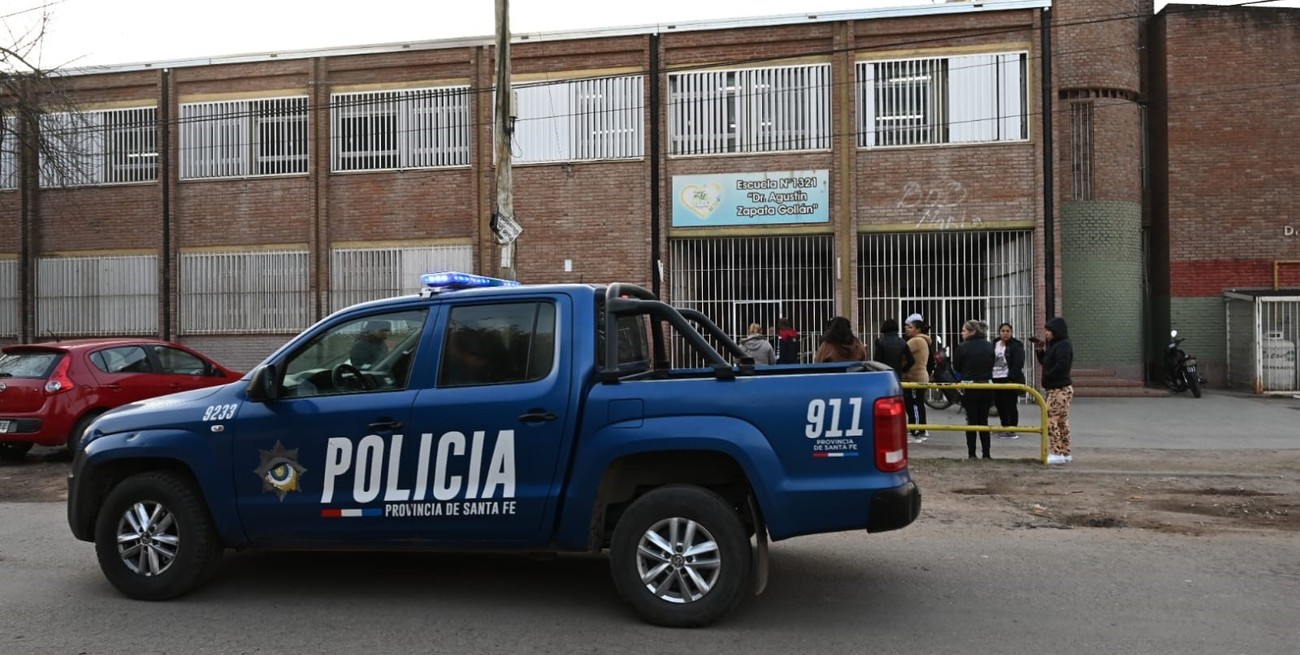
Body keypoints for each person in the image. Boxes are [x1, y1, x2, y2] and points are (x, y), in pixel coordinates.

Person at [1034, 317, 1075, 464]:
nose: (1046, 333)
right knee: (1062, 422)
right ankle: (1065, 452)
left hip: (1059, 389)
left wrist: (1049, 375)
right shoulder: (1055, 345)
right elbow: (1046, 362)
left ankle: (1057, 452)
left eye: (1048, 331)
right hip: (1058, 389)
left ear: (1056, 331)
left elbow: (1062, 365)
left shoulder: (1062, 346)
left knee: (1051, 420)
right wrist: (1040, 350)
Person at [953, 319, 995, 459]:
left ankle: (971, 453)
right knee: (983, 421)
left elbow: (956, 367)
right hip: (986, 386)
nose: (962, 333)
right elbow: (992, 363)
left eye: (964, 330)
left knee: (971, 420)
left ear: (972, 332)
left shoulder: (962, 347)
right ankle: (986, 453)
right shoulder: (989, 346)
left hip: (969, 386)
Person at [992, 322, 1027, 439]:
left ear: (1011, 333)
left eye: (1008, 331)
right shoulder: (994, 344)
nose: (1005, 333)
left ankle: (1012, 429)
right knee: (999, 404)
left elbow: (1018, 363)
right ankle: (1004, 426)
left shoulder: (1016, 345)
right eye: (1003, 331)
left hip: (1009, 379)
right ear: (999, 332)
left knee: (1010, 404)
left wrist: (1011, 378)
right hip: (996, 378)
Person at [902, 318, 932, 443]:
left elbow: (901, 351)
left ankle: (918, 430)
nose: (906, 329)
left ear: (918, 329)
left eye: (910, 327)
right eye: (906, 326)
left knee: (915, 405)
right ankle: (917, 429)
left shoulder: (916, 340)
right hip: (916, 376)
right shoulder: (921, 340)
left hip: (915, 377)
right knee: (915, 404)